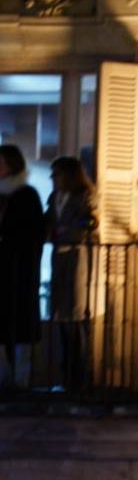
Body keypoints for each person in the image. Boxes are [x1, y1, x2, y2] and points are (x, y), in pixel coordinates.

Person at [45, 155, 97, 389]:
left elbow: (88, 222)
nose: (53, 179)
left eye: (56, 174)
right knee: (61, 315)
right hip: (59, 256)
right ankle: (66, 373)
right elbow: (48, 223)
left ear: (68, 175)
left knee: (75, 312)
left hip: (76, 256)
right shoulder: (54, 197)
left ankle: (79, 375)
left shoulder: (84, 196)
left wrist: (68, 229)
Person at [0, 144, 43, 390]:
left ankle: (21, 382)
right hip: (4, 272)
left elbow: (30, 234)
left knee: (20, 327)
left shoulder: (26, 195)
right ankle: (6, 380)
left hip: (19, 273)